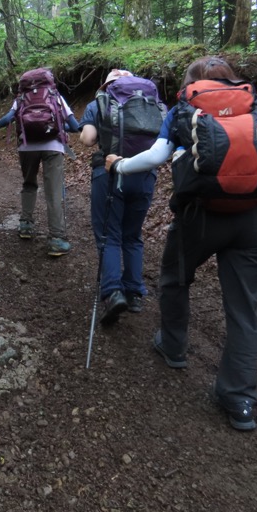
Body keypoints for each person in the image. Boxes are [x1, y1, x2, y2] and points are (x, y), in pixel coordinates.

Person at [105, 56, 257, 431]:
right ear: (230, 78)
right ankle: (239, 399)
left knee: (175, 278)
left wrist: (118, 165)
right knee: (244, 309)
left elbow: (157, 156)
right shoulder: (255, 106)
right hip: (254, 219)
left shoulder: (186, 106)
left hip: (200, 216)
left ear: (191, 81)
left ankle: (174, 346)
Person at [78, 69, 164, 325]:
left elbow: (87, 139)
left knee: (109, 234)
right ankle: (134, 293)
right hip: (145, 174)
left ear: (108, 85)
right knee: (133, 235)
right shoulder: (155, 104)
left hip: (109, 173)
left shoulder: (99, 103)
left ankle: (113, 292)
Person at [0, 73, 80, 257]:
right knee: (53, 192)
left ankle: (26, 226)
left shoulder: (22, 97)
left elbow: (7, 119)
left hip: (26, 146)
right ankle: (57, 239)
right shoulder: (55, 96)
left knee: (29, 184)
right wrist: (58, 127)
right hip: (53, 147)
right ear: (50, 81)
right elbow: (75, 126)